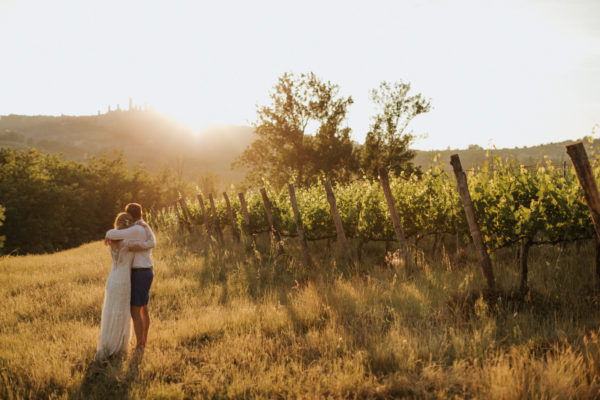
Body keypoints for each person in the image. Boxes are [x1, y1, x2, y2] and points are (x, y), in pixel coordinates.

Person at [104, 203, 156, 352]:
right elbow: (153, 242)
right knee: (143, 309)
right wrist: (145, 244)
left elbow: (113, 234)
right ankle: (143, 342)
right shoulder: (144, 227)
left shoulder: (135, 229)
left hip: (139, 272)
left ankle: (140, 345)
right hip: (146, 270)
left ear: (129, 216)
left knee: (135, 310)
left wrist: (108, 235)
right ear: (141, 213)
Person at [96, 212, 137, 359]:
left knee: (110, 312)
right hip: (123, 281)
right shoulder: (128, 241)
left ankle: (107, 344)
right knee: (121, 313)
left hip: (112, 279)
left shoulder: (112, 239)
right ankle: (118, 347)